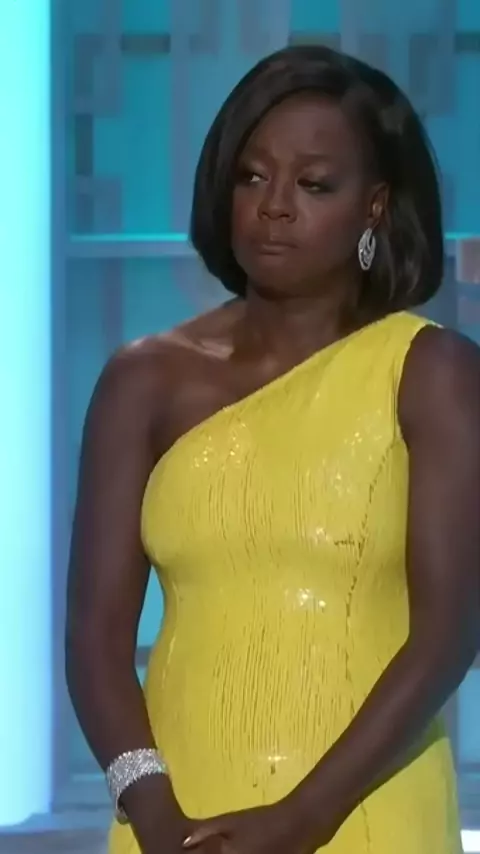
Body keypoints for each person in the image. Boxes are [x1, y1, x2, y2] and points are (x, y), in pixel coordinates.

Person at [65, 45, 480, 854]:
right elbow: (94, 642)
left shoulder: (434, 375)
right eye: (252, 178)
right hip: (176, 821)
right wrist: (153, 813)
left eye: (314, 184)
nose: (274, 207)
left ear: (375, 206)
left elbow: (448, 636)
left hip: (363, 810)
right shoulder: (143, 381)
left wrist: (304, 816)